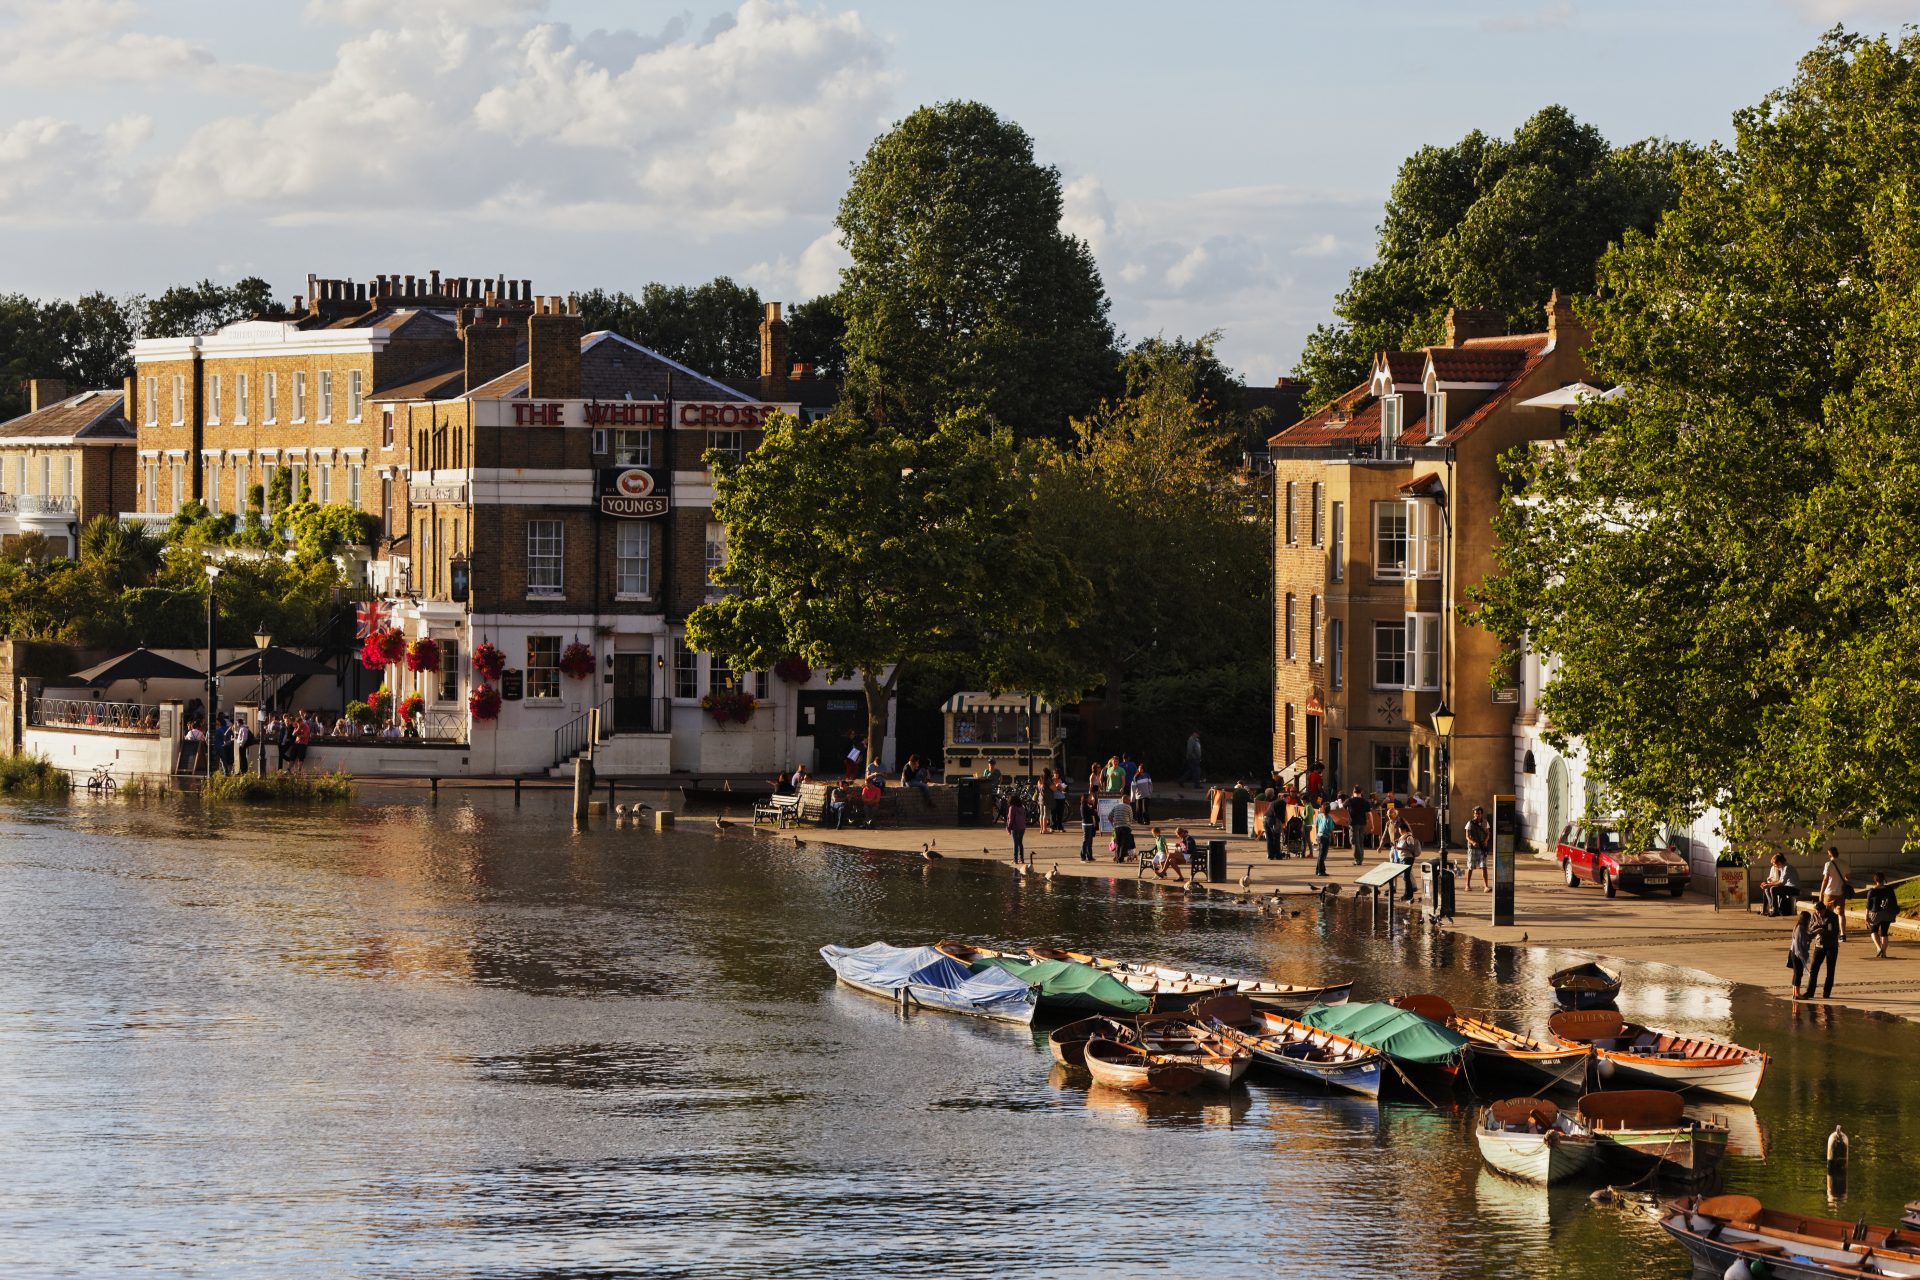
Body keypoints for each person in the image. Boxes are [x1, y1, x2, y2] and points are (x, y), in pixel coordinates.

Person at [1802, 901, 1840, 1000]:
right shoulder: (1814, 915)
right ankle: (1810, 992)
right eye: (1817, 912)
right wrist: (1813, 929)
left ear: (1824, 909)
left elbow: (1835, 932)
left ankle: (1826, 992)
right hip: (1819, 945)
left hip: (1831, 946)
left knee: (1830, 970)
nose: (1819, 914)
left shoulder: (1833, 916)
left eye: (1820, 912)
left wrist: (1823, 930)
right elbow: (1809, 928)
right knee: (1814, 969)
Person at [1819, 847, 1852, 941]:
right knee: (1841, 914)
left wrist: (1821, 892)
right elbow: (1848, 877)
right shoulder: (1844, 863)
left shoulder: (1828, 864)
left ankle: (1829, 932)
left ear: (1829, 854)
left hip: (1829, 892)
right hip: (1841, 892)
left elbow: (1825, 879)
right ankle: (1843, 934)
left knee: (1827, 913)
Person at [1865, 871, 1898, 959]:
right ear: (1883, 879)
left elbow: (1868, 905)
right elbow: (1894, 901)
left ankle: (1879, 949)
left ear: (1875, 880)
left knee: (1874, 931)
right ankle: (1884, 952)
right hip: (1888, 913)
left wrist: (1866, 916)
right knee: (1884, 933)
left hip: (1876, 914)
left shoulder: (1872, 891)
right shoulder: (1889, 889)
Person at [1464, 805, 1492, 892]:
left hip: (1482, 848)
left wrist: (1486, 840)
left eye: (1479, 813)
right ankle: (1467, 885)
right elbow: (1467, 836)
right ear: (1473, 814)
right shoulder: (1470, 823)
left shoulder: (1485, 823)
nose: (1477, 815)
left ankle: (1486, 886)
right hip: (1473, 848)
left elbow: (1488, 833)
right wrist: (1472, 842)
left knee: (1484, 866)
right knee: (1470, 867)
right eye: (1476, 813)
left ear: (1482, 814)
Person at [1391, 820, 1421, 903]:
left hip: (1408, 858)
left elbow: (1411, 848)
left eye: (1400, 829)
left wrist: (1401, 848)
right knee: (1405, 877)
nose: (1399, 831)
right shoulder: (1402, 837)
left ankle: (1408, 895)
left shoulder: (1409, 837)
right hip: (1403, 858)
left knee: (1406, 877)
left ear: (1403, 829)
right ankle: (1408, 894)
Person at [1110, 796, 1136, 864]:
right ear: (1125, 800)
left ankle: (1118, 858)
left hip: (1117, 827)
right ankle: (1121, 859)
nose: (1130, 802)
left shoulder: (1116, 806)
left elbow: (1109, 816)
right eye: (1129, 800)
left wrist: (1113, 824)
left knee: (1118, 843)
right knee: (1123, 844)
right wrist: (1129, 825)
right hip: (1125, 827)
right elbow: (1131, 818)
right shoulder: (1128, 807)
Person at [1347, 788, 1371, 860]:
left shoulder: (1350, 800)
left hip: (1353, 823)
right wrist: (1371, 823)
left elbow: (1341, 806)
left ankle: (1358, 859)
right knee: (1360, 841)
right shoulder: (1365, 802)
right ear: (1361, 792)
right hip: (1362, 823)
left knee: (1354, 842)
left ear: (1353, 792)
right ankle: (1361, 857)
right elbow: (1369, 813)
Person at [1312, 804, 1335, 876]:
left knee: (1320, 854)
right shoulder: (1329, 818)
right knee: (1323, 855)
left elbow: (1316, 826)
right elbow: (1331, 829)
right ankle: (1320, 871)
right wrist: (1333, 837)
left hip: (1319, 836)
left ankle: (1319, 870)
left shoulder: (1319, 816)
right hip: (1325, 837)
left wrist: (1316, 834)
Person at [1006, 794, 1028, 865]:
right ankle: (1021, 859)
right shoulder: (1022, 807)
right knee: (1020, 843)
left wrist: (1008, 828)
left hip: (1015, 827)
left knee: (1015, 843)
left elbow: (1010, 819)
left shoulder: (1012, 808)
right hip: (1022, 827)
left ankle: (1015, 859)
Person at [1079, 789, 1098, 863]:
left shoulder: (1087, 805)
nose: (1090, 799)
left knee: (1090, 841)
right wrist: (1092, 809)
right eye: (1089, 798)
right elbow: (1088, 814)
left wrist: (1092, 806)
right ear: (1086, 799)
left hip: (1090, 824)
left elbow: (1092, 812)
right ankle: (1083, 857)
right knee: (1086, 841)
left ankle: (1089, 856)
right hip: (1086, 824)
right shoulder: (1083, 806)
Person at [1049, 771, 1068, 835]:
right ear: (1053, 774)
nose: (1056, 775)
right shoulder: (1051, 780)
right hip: (1053, 798)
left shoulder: (1062, 780)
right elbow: (1049, 789)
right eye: (1055, 773)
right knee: (1053, 813)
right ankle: (1052, 827)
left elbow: (1066, 789)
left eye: (1057, 773)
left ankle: (1060, 827)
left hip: (1061, 798)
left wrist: (1061, 788)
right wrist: (1055, 786)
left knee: (1060, 813)